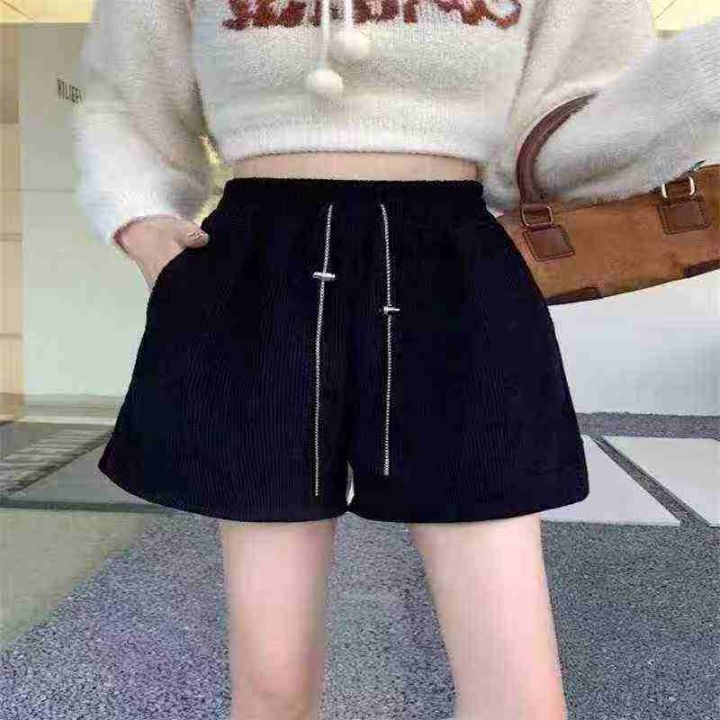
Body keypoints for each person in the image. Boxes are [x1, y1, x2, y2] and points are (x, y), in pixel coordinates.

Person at [72, 1, 719, 718]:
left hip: (454, 268)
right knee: (272, 688)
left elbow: (566, 148)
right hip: (259, 272)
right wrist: (139, 219)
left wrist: (705, 71)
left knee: (521, 701)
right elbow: (126, 97)